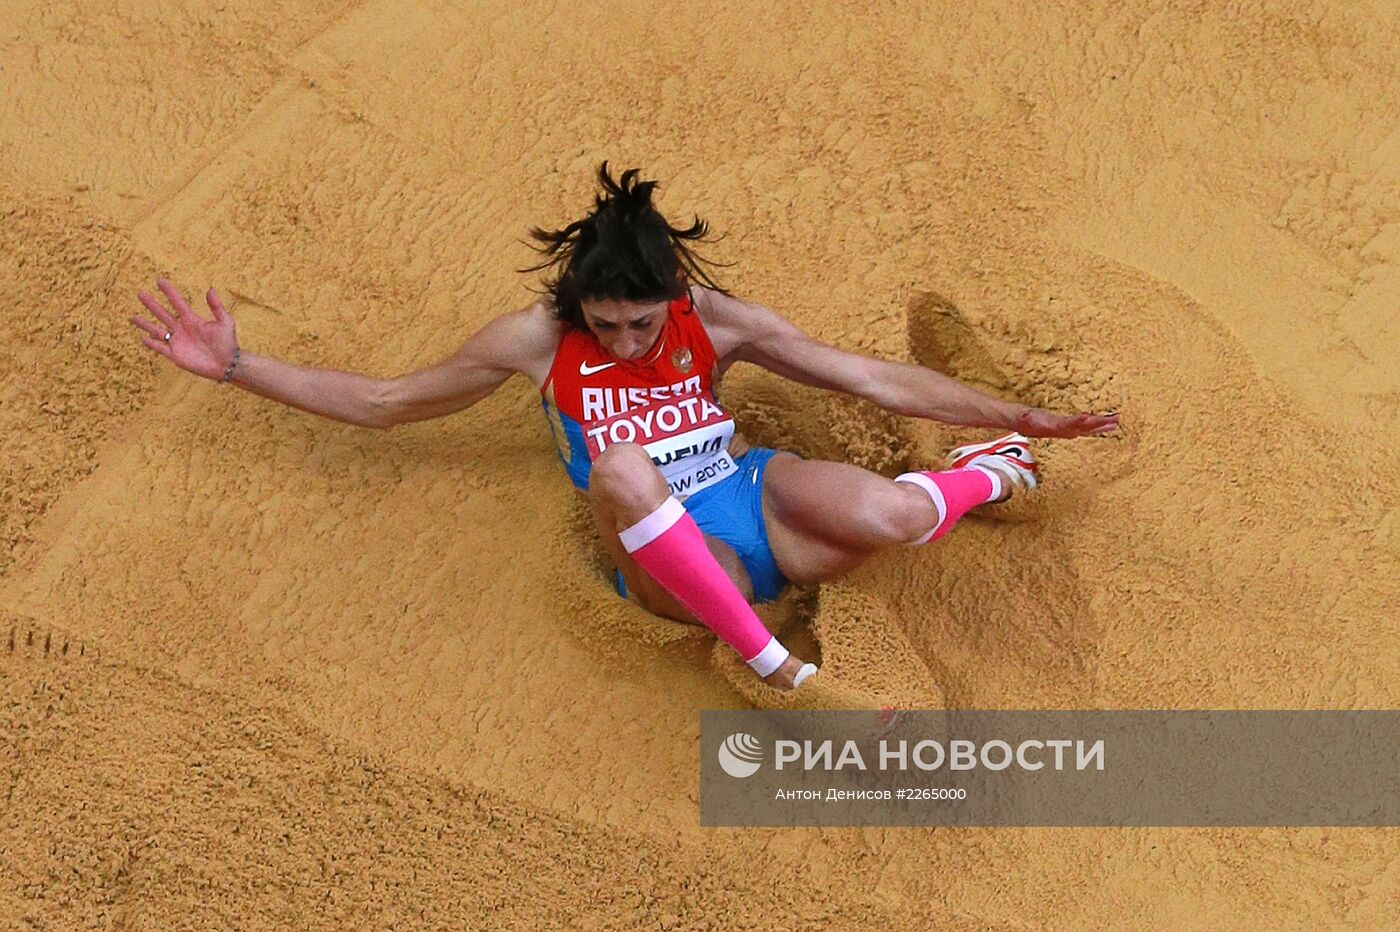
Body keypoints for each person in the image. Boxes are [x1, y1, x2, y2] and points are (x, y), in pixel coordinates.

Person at [129, 163, 1119, 692]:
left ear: (671, 293)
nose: (623, 336)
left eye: (638, 320)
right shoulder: (531, 339)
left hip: (747, 495)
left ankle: (997, 467)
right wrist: (233, 365)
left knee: (891, 518)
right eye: (603, 322)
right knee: (621, 467)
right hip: (655, 547)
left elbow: (862, 373)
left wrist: (1011, 409)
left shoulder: (715, 319)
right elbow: (386, 402)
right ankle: (771, 663)